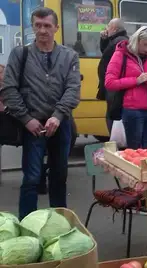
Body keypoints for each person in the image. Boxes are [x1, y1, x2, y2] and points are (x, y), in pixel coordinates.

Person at [0, 7, 81, 220]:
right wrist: (26, 119)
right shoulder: (20, 54)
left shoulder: (69, 56)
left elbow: (73, 89)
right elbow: (9, 89)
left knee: (59, 176)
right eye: (38, 25)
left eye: (47, 25)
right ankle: (26, 223)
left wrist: (58, 115)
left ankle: (59, 221)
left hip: (60, 124)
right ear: (32, 27)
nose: (42, 30)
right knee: (32, 178)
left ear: (56, 27)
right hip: (33, 125)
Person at [105, 26, 147, 150]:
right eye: (145, 44)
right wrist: (136, 81)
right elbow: (110, 83)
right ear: (136, 40)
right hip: (132, 110)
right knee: (135, 151)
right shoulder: (121, 54)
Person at [96, 18, 128, 134]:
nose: (106, 28)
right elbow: (106, 52)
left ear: (114, 29)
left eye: (108, 26)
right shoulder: (115, 41)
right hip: (113, 87)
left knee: (112, 116)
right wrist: (104, 39)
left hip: (114, 88)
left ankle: (116, 141)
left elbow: (107, 59)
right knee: (111, 115)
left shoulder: (119, 42)